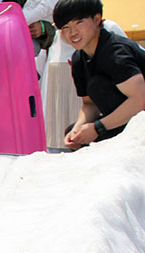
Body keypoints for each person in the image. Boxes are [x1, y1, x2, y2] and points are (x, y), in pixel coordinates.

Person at [53, 0, 145, 148]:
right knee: (73, 132)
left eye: (79, 23)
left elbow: (140, 99)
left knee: (98, 85)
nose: (73, 32)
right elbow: (89, 104)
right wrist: (78, 130)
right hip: (125, 120)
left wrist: (98, 128)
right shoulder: (78, 59)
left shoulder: (115, 52)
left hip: (139, 120)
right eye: (66, 27)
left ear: (96, 20)